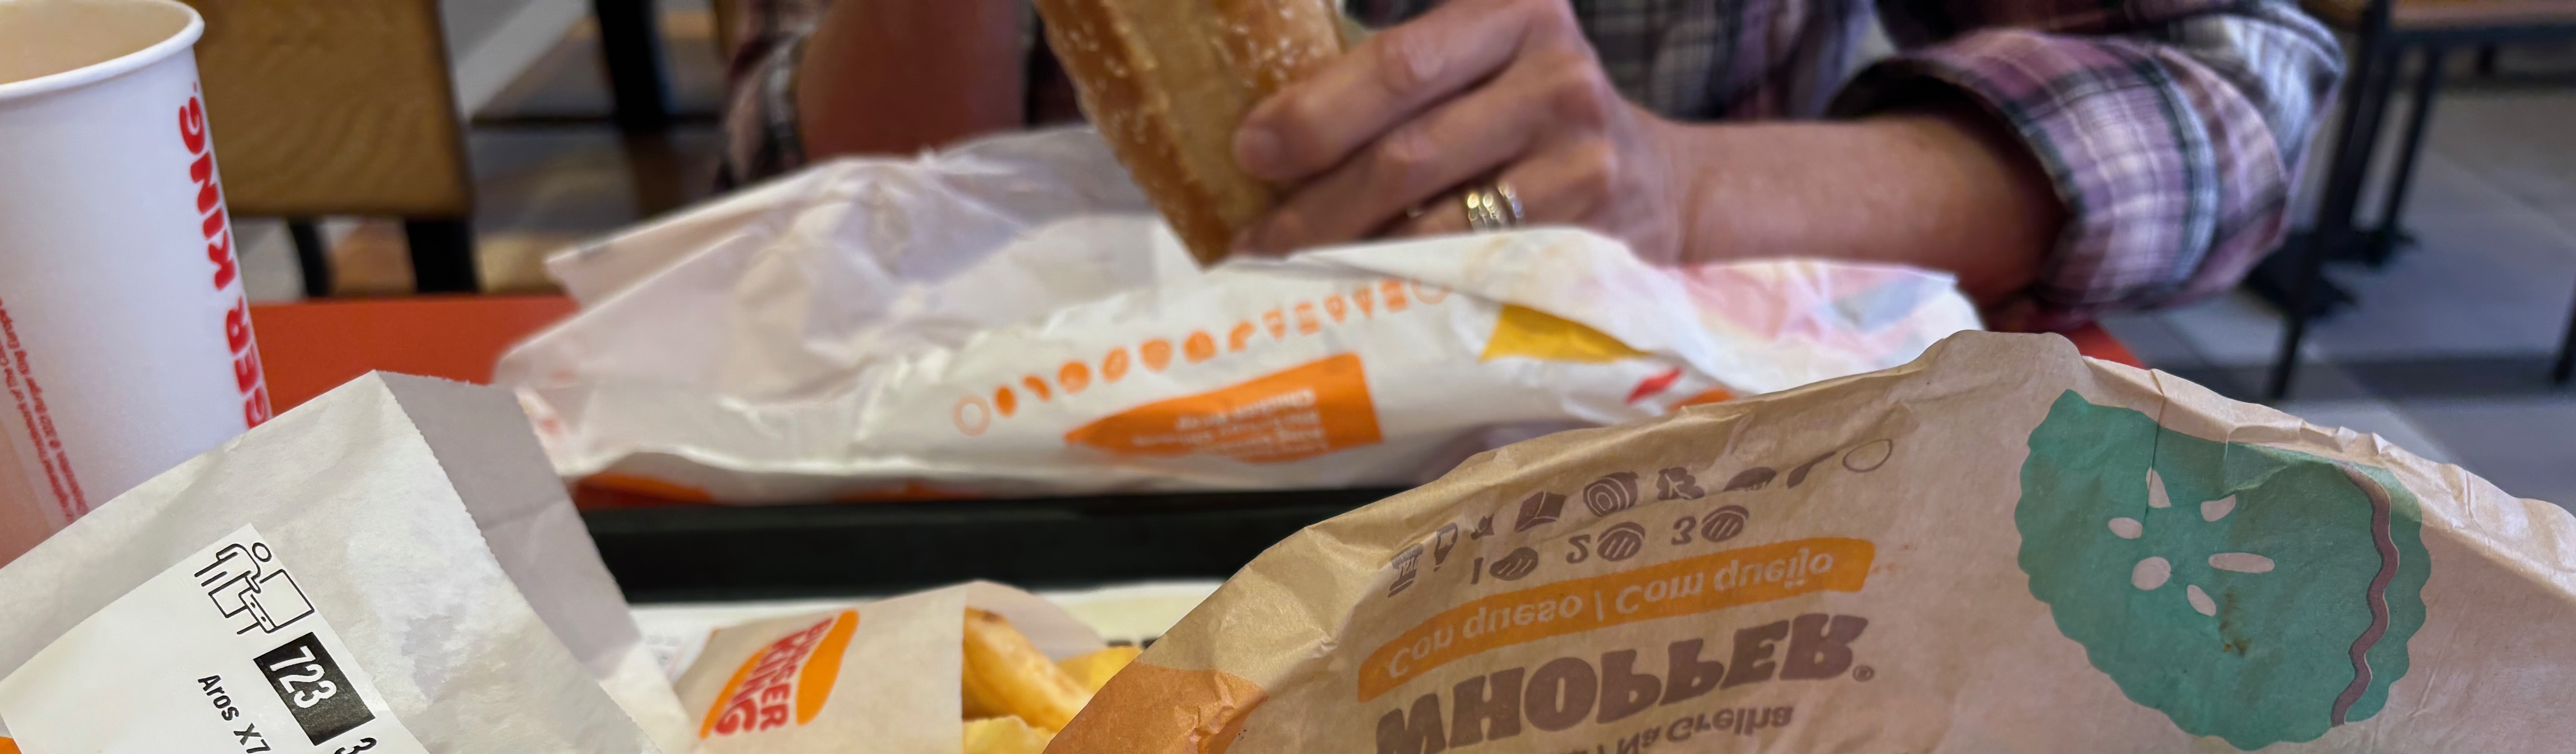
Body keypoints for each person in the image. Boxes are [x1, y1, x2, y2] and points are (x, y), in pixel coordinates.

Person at [718, 0, 2339, 322]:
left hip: (1691, 483)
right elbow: (798, 169)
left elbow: (2233, 86)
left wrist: (1681, 186)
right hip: (1049, 464)